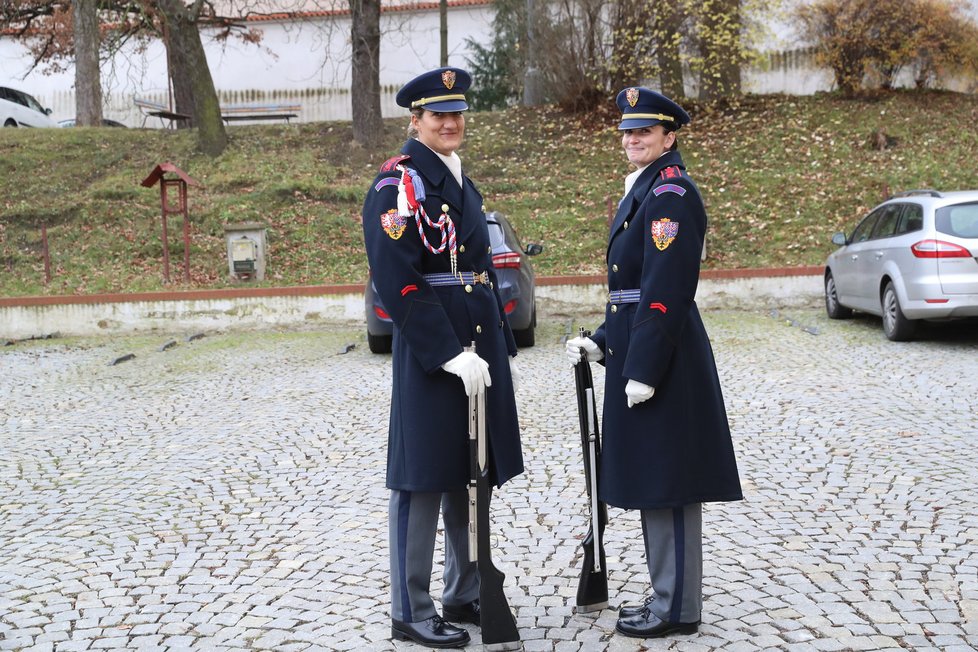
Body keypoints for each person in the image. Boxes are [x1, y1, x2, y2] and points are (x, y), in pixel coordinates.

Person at [565, 87, 743, 639]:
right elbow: (630, 290)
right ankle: (667, 593)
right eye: (627, 130)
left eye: (645, 130)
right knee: (653, 478)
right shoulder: (645, 188)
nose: (633, 138)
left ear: (669, 136)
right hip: (640, 349)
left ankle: (678, 608)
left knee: (671, 481)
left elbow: (666, 290)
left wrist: (642, 365)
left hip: (664, 356)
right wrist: (603, 342)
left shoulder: (670, 193)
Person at [361, 67, 524, 649]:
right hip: (436, 356)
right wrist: (448, 353)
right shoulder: (396, 185)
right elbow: (397, 280)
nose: (451, 123)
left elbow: (474, 271)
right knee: (421, 478)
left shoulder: (458, 178)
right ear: (415, 120)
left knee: (469, 474)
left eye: (457, 114)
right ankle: (411, 607)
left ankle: (464, 588)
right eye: (438, 115)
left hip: (477, 348)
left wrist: (493, 345)